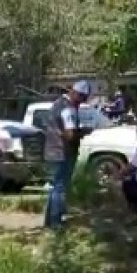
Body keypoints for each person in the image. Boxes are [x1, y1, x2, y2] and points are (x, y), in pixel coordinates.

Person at [43, 79, 91, 229]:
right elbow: (69, 135)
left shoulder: (57, 104)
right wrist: (82, 132)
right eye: (82, 98)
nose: (82, 102)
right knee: (60, 188)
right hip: (63, 152)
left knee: (55, 187)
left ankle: (50, 222)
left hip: (52, 150)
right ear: (75, 93)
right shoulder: (68, 109)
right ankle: (56, 222)